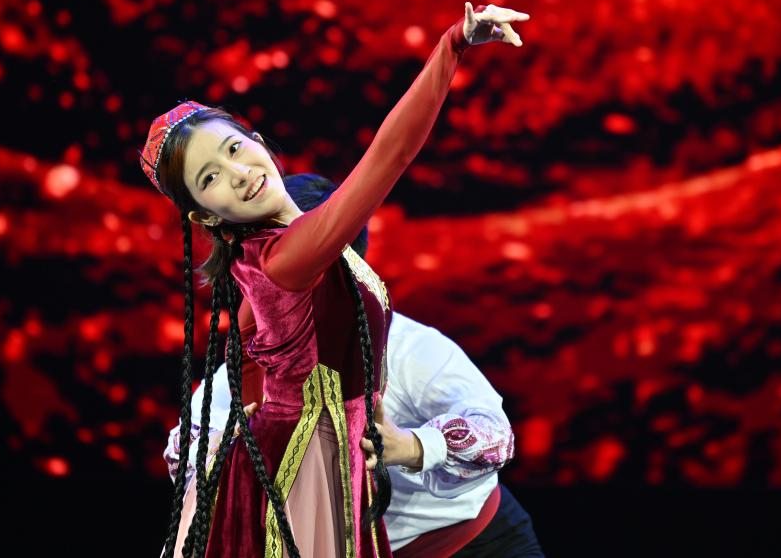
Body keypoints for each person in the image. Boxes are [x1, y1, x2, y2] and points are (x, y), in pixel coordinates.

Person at [140, 2, 529, 558]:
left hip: (380, 486)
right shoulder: (288, 258)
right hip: (309, 460)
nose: (240, 174)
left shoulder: (266, 261)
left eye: (234, 149)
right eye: (211, 177)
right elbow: (390, 155)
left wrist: (257, 411)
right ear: (203, 214)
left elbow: (248, 340)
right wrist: (453, 45)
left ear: (258, 141)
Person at [164, 174, 545, 557]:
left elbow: (498, 436)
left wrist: (411, 446)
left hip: (473, 543)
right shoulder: (248, 364)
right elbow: (183, 453)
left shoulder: (409, 348)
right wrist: (219, 453)